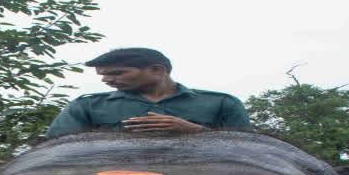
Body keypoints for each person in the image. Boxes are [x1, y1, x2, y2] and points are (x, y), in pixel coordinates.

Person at [45, 47, 251, 137]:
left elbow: (251, 151)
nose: (106, 80)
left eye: (117, 73)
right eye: (103, 75)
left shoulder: (222, 103)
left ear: (157, 70)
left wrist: (195, 131)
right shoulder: (87, 105)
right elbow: (54, 149)